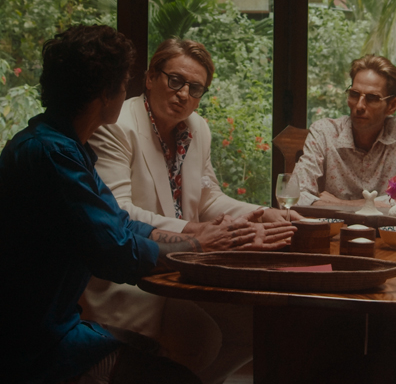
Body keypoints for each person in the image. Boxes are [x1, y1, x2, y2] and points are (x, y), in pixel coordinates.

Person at [0, 26, 271, 384]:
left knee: (213, 339)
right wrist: (196, 245)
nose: (127, 92)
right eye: (124, 83)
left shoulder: (61, 146)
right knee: (179, 372)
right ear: (105, 94)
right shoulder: (51, 154)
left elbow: (119, 223)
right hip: (19, 348)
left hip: (41, 328)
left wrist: (199, 240)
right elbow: (115, 250)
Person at [82, 38, 297, 383]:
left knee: (252, 325)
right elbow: (120, 212)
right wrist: (196, 233)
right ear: (150, 77)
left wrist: (261, 212)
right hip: (129, 270)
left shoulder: (197, 127)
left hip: (184, 267)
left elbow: (208, 198)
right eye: (175, 80)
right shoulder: (117, 124)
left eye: (195, 88)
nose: (183, 94)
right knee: (201, 338)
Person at [292, 54, 396, 205]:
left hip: (375, 224)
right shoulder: (324, 132)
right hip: (331, 222)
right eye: (354, 94)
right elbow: (294, 195)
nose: (359, 106)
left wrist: (341, 204)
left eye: (372, 98)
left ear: (392, 105)